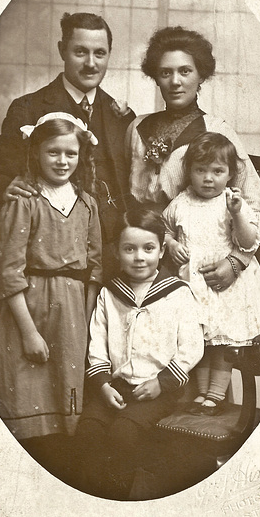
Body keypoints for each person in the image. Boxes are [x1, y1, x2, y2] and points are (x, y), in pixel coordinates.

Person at [0, 112, 102, 482]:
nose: (63, 161)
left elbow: (95, 267)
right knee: (24, 392)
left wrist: (84, 322)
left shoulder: (87, 204)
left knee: (66, 402)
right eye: (53, 152)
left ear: (81, 155)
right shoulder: (24, 199)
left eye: (71, 153)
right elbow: (9, 272)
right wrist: (29, 331)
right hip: (28, 309)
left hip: (71, 311)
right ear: (36, 151)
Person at [0, 11, 135, 277]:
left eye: (100, 53)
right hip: (53, 265)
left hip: (112, 263)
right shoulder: (29, 108)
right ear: (62, 50)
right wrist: (9, 191)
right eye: (80, 52)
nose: (91, 63)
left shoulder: (121, 116)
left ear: (109, 54)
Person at [126, 26, 260, 292]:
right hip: (141, 255)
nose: (175, 81)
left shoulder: (217, 130)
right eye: (165, 73)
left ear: (200, 75)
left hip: (198, 261)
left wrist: (237, 261)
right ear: (156, 78)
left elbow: (254, 202)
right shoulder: (136, 128)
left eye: (185, 71)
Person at [76, 208, 204, 500]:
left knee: (124, 434)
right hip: (115, 387)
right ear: (117, 252)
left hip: (158, 388)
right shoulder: (110, 293)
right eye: (129, 249)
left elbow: (192, 345)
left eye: (148, 248)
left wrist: (163, 382)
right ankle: (90, 499)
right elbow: (96, 343)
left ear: (161, 251)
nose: (139, 257)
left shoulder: (177, 292)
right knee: (88, 430)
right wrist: (103, 385)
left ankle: (119, 500)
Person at [163, 132, 260, 415]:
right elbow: (162, 228)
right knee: (197, 341)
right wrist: (171, 243)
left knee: (222, 344)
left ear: (230, 175)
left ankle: (215, 394)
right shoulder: (180, 202)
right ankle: (201, 394)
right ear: (189, 172)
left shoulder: (232, 202)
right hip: (193, 288)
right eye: (200, 170)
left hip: (227, 289)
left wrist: (237, 214)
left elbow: (249, 243)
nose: (208, 178)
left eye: (217, 171)